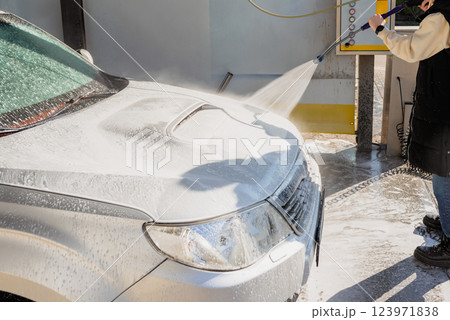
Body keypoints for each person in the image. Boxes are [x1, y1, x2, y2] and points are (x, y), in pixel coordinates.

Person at [369, 0, 450, 268]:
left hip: (444, 106)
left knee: (444, 173)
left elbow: (411, 49)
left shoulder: (439, 19)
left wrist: (381, 30)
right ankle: (448, 220)